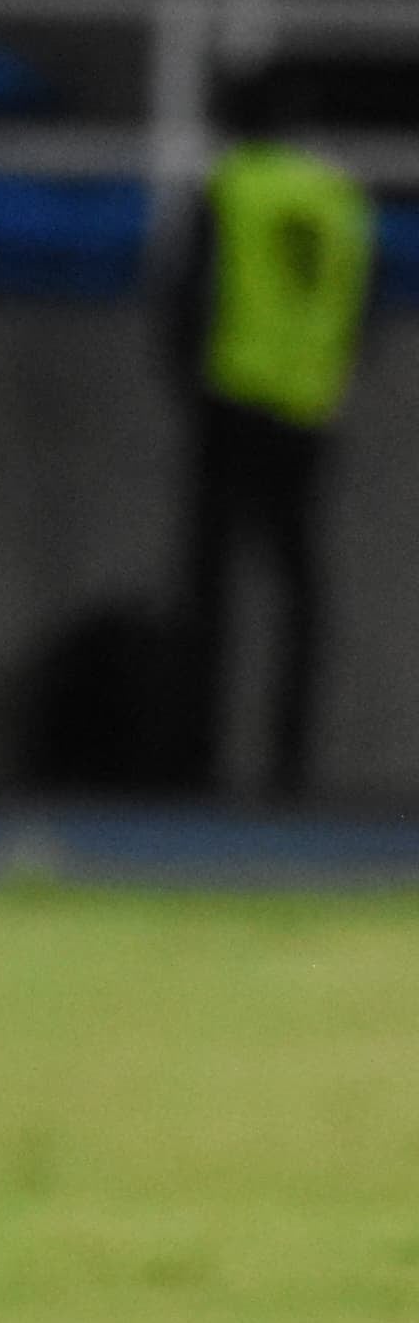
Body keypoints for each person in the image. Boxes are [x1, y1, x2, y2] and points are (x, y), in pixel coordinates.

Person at [163, 64, 374, 800]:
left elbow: (186, 292)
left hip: (233, 398)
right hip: (310, 408)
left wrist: (185, 380)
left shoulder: (231, 186)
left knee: (210, 583)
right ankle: (292, 759)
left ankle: (197, 758)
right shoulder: (338, 196)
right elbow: (363, 310)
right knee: (300, 584)